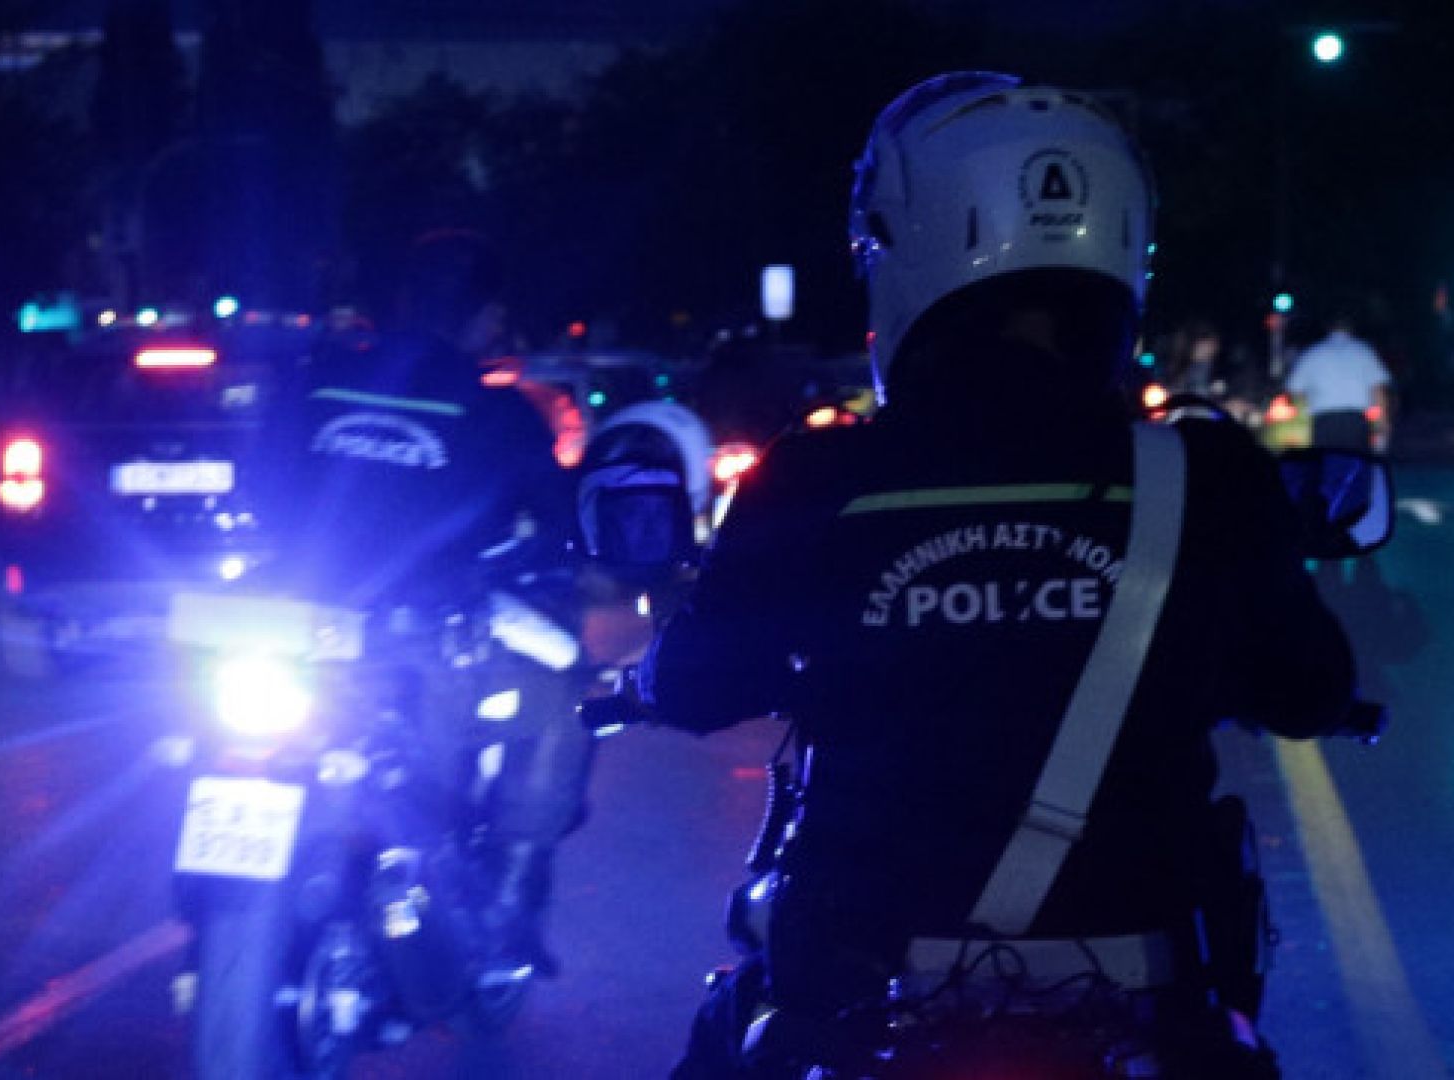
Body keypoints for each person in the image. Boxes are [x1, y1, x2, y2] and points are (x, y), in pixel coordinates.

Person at [638, 73, 1359, 1078]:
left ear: (899, 248)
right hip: (1148, 998)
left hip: (863, 996)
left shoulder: (814, 476)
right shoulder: (1208, 474)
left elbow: (690, 686)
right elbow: (1311, 690)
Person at [272, 228, 583, 974]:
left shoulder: (313, 382)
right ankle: (509, 897)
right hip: (432, 628)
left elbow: (261, 488)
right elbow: (558, 527)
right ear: (486, 316)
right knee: (565, 700)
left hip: (294, 620)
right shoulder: (498, 413)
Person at [1284, 315, 1392, 451]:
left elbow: (1294, 390)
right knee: (1354, 460)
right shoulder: (1363, 351)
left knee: (1328, 460)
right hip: (1355, 421)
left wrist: (1304, 414)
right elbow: (1378, 390)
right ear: (1351, 329)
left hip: (1324, 422)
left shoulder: (1313, 353)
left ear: (1328, 329)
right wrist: (1382, 422)